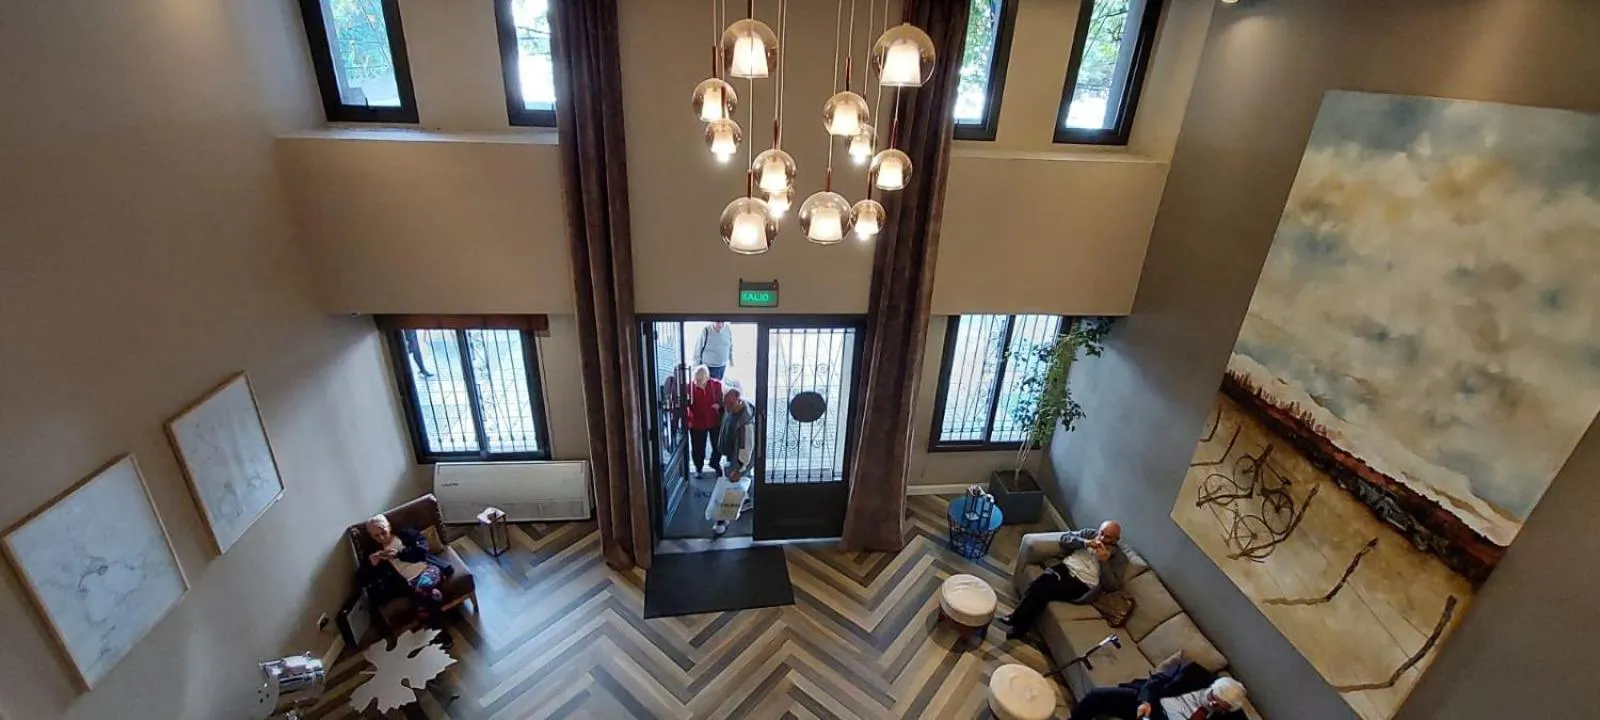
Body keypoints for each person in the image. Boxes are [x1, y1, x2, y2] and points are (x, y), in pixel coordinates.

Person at [1001, 520, 1128, 638]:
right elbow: (1065, 539)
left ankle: (1015, 621)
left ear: (1116, 539)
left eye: (1108, 537)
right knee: (1039, 586)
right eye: (1101, 533)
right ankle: (1020, 627)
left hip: (1083, 583)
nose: (1102, 538)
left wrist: (1104, 562)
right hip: (1066, 567)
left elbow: (1112, 586)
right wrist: (1085, 542)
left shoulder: (1120, 558)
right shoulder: (1089, 534)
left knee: (1041, 589)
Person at [358, 514, 456, 646]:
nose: (381, 538)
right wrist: (371, 565)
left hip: (429, 570)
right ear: (371, 536)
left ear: (389, 527)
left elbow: (422, 552)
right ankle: (438, 629)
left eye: (383, 532)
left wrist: (399, 554)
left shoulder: (407, 535)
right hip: (408, 583)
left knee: (423, 588)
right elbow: (362, 579)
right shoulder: (372, 551)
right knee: (433, 596)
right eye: (376, 536)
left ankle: (426, 617)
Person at [1069, 662, 1248, 720]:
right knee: (1098, 695)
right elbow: (1156, 680)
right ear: (1212, 686)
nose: (1211, 704)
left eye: (1219, 707)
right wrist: (1146, 701)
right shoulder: (1193, 672)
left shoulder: (1232, 713)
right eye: (1212, 698)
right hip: (1152, 704)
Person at [707, 381, 756, 536]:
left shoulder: (745, 423)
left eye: (729, 404)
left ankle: (722, 521)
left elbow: (746, 451)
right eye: (725, 403)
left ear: (739, 401)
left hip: (737, 460)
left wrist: (739, 470)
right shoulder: (732, 410)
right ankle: (747, 501)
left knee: (730, 490)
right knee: (737, 486)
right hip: (730, 456)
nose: (727, 407)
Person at [685, 364, 725, 478]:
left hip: (714, 420)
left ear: (707, 378)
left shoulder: (716, 385)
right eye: (696, 379)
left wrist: (719, 405)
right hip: (697, 422)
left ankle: (715, 463)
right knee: (698, 448)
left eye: (700, 380)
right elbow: (684, 402)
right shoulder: (689, 387)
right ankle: (698, 468)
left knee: (718, 445)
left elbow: (724, 399)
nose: (697, 382)